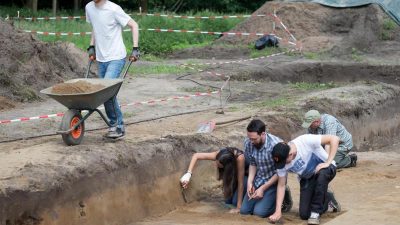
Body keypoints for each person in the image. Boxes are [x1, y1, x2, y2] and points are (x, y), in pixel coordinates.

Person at [85, 0, 140, 139]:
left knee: (107, 91)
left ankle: (118, 126)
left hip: (116, 56)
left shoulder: (114, 9)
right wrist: (92, 46)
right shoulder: (89, 7)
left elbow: (134, 25)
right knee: (106, 93)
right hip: (101, 58)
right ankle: (114, 124)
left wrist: (135, 48)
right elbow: (95, 27)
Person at [269, 134, 342, 225]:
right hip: (308, 178)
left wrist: (328, 162)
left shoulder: (305, 140)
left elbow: (334, 139)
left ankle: (315, 213)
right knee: (304, 214)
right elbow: (281, 185)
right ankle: (327, 198)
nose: (283, 165)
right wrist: (278, 211)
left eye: (284, 162)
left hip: (326, 169)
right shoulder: (281, 161)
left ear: (290, 154)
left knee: (321, 175)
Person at [240, 119, 293, 218]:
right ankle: (264, 199)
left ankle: (283, 196)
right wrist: (250, 183)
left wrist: (263, 188)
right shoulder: (249, 142)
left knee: (259, 212)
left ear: (263, 134)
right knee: (244, 211)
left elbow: (281, 171)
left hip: (274, 181)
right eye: (249, 138)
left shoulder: (276, 145)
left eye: (254, 139)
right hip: (259, 178)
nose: (251, 142)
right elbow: (253, 164)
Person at [180, 147, 249, 213]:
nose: (216, 165)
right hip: (234, 174)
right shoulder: (219, 154)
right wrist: (188, 175)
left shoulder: (240, 158)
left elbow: (241, 183)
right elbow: (196, 155)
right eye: (217, 162)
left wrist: (238, 207)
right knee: (227, 201)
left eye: (219, 165)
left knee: (235, 202)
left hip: (247, 176)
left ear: (227, 166)